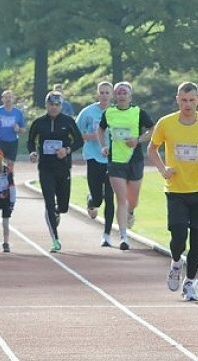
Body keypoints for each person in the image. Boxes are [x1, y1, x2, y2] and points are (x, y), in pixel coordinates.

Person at [148, 81, 198, 301]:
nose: (188, 104)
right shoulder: (166, 123)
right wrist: (163, 169)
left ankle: (190, 282)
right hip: (176, 190)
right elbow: (152, 149)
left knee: (197, 240)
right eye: (184, 100)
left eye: (192, 100)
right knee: (178, 236)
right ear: (177, 100)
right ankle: (176, 263)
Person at [98, 81, 155, 250]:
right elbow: (100, 130)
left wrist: (138, 140)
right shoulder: (109, 113)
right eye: (119, 93)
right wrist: (104, 146)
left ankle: (131, 212)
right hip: (116, 161)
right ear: (115, 96)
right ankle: (124, 237)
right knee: (121, 199)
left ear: (130, 97)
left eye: (125, 94)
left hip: (134, 160)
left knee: (133, 201)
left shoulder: (138, 112)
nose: (122, 96)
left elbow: (152, 129)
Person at [27, 90, 84, 252]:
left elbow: (79, 141)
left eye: (57, 105)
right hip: (45, 169)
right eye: (51, 104)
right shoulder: (39, 123)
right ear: (46, 105)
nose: (54, 107)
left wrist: (67, 150)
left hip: (63, 168)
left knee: (63, 206)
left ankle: (58, 211)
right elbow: (30, 141)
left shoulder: (68, 121)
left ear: (61, 106)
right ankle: (55, 240)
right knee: (49, 203)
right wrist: (33, 152)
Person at [76, 81, 116, 247]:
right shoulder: (88, 112)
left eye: (107, 92)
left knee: (110, 197)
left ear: (112, 95)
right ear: (97, 94)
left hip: (112, 159)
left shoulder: (116, 112)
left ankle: (106, 235)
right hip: (93, 157)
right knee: (98, 199)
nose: (104, 96)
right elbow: (76, 132)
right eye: (102, 92)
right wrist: (91, 136)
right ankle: (91, 200)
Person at [0, 89, 26, 170]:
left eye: (10, 97)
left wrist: (18, 129)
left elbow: (23, 130)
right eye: (6, 97)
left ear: (13, 99)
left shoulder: (18, 113)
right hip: (0, 140)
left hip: (12, 141)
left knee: (10, 164)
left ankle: (9, 178)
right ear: (2, 99)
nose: (8, 99)